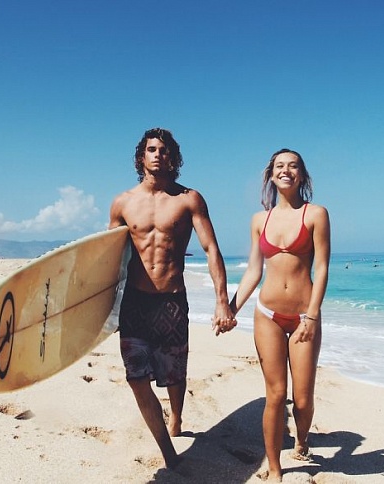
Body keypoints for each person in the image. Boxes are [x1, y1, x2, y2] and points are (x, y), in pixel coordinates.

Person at [108, 128, 236, 469]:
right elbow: (108, 258)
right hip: (134, 302)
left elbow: (211, 249)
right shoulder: (122, 203)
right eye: (151, 149)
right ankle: (168, 452)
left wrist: (222, 301)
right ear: (141, 157)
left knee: (174, 375)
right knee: (136, 378)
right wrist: (101, 309)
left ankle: (176, 416)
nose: (158, 155)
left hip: (172, 302)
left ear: (173, 158)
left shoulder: (189, 199)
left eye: (164, 150)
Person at [229, 148, 330, 481]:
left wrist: (312, 316)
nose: (286, 170)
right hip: (267, 314)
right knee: (275, 394)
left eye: (293, 166)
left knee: (302, 399)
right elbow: (253, 271)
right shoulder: (260, 220)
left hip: (303, 317)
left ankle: (302, 439)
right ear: (271, 175)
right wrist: (230, 308)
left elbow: (321, 268)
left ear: (302, 175)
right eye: (280, 166)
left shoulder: (316, 214)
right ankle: (274, 468)